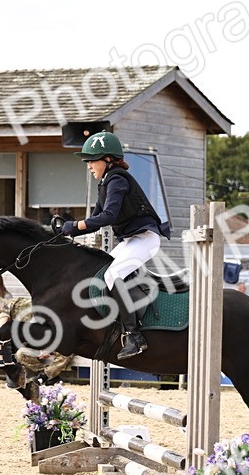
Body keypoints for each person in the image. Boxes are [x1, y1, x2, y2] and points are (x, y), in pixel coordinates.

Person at [60, 130, 169, 360]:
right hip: (132, 239)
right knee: (102, 272)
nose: (89, 166)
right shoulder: (106, 183)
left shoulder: (118, 179)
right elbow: (95, 221)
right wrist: (67, 230)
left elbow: (108, 216)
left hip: (146, 238)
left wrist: (75, 225)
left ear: (108, 159)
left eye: (92, 160)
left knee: (114, 274)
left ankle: (134, 336)